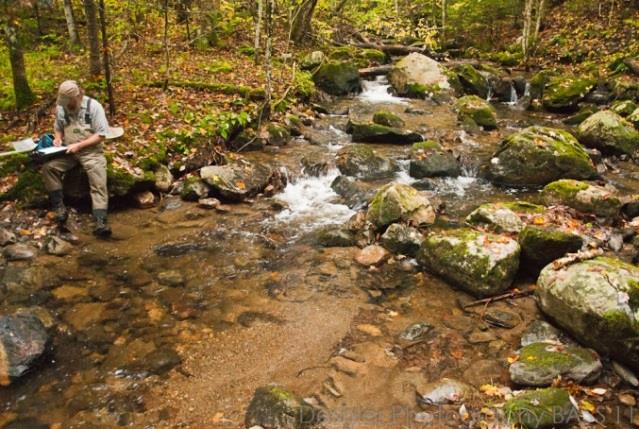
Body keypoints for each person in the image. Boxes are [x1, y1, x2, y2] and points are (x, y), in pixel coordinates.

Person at [41, 80, 111, 237]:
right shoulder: (61, 108)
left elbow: (101, 135)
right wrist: (58, 139)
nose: (65, 105)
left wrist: (80, 145)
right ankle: (59, 207)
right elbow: (58, 128)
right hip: (69, 152)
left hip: (91, 152)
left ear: (77, 96)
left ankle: (101, 221)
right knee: (49, 168)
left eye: (68, 101)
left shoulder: (94, 107)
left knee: (98, 182)